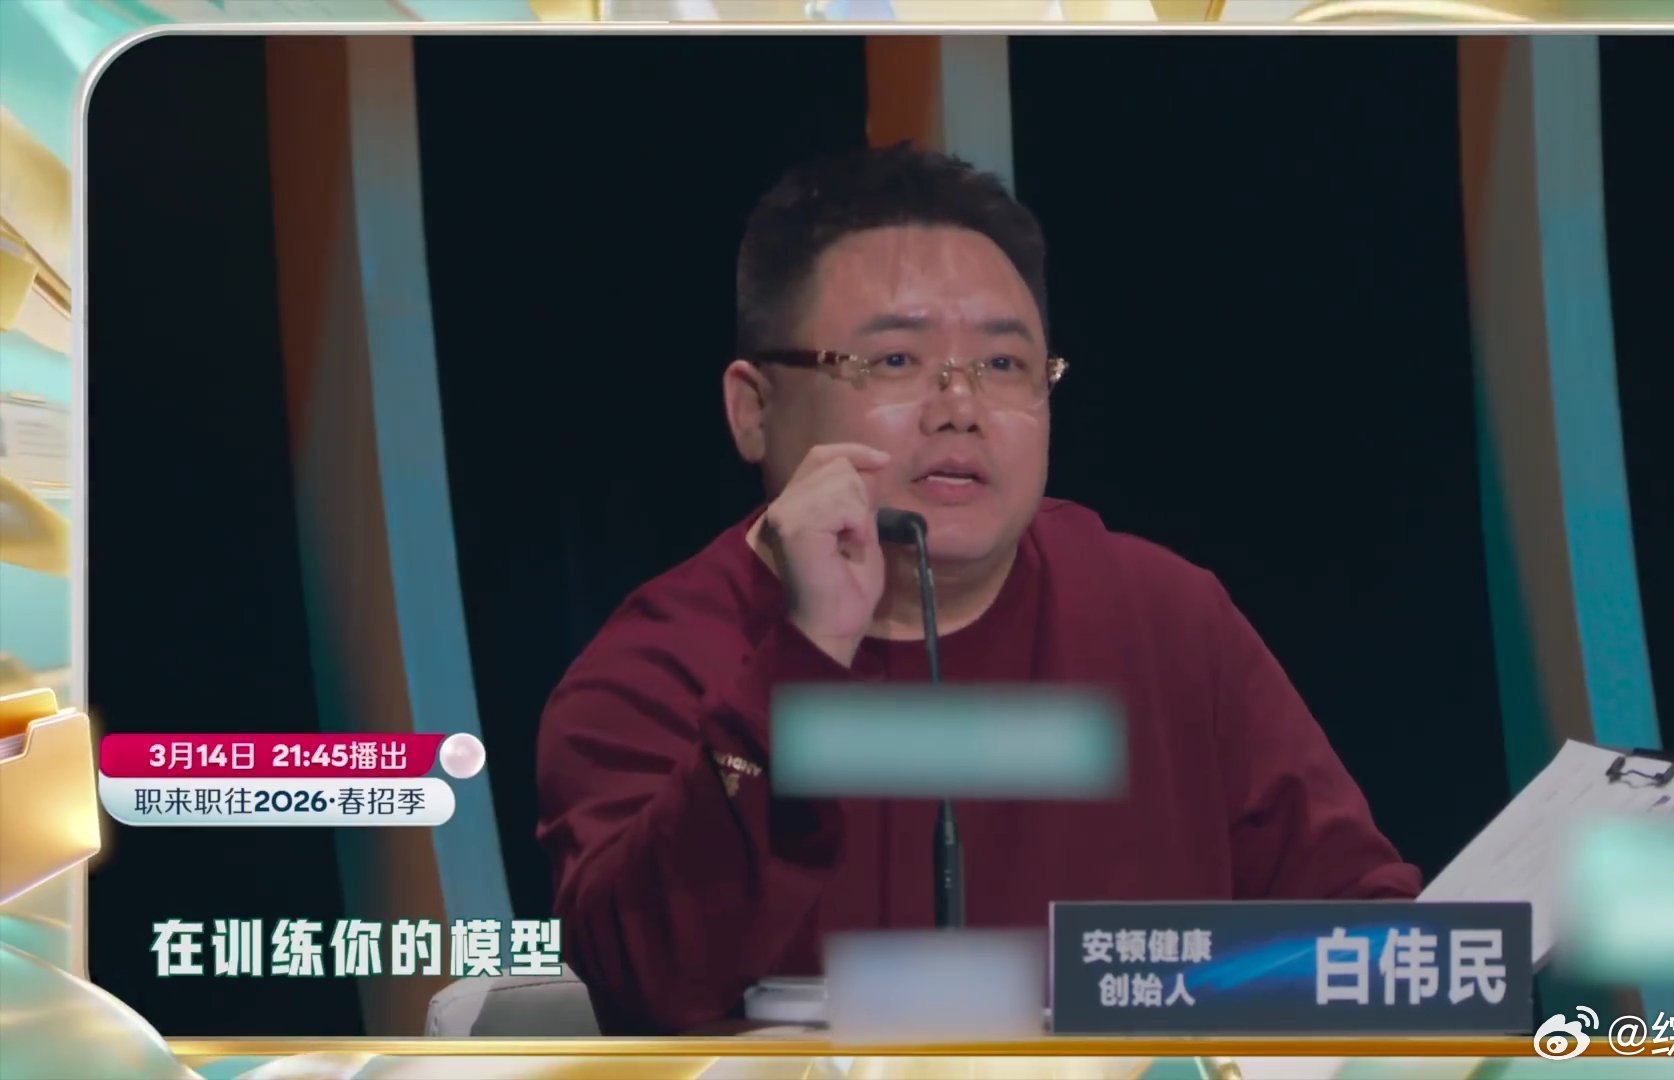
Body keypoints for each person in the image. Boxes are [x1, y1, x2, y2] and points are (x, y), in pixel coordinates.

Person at [536, 144, 1420, 1035]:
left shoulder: (1166, 619)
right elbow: (639, 990)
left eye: (1002, 366)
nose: (959, 408)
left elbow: (1368, 932)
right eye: (894, 361)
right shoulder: (652, 669)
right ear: (754, 410)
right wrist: (803, 656)